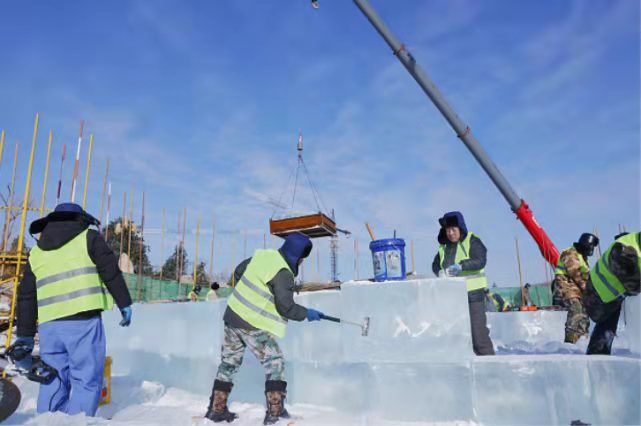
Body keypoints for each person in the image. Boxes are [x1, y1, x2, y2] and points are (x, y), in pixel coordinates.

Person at [10, 203, 132, 416]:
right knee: (86, 380)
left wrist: (25, 336)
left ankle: (47, 421)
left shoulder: (37, 252)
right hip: (83, 324)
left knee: (51, 378)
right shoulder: (89, 238)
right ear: (80, 218)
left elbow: (26, 295)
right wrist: (124, 303)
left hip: (49, 328)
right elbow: (110, 271)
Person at [205, 232, 324, 425]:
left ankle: (216, 410)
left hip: (232, 314)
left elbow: (239, 271)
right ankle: (275, 413)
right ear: (297, 255)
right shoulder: (284, 273)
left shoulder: (263, 255)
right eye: (302, 258)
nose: (302, 262)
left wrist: (254, 290)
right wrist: (307, 313)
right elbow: (286, 307)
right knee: (274, 362)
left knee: (229, 363)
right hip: (250, 323)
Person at [432, 211, 494, 355]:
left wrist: (462, 266)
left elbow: (480, 260)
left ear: (461, 228)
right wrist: (439, 272)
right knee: (457, 337)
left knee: (478, 336)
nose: (451, 233)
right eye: (448, 230)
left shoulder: (472, 240)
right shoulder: (444, 247)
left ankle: (490, 370)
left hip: (474, 295)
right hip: (452, 297)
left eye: (454, 229)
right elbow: (436, 265)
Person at [584, 232, 640, 355]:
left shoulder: (635, 245)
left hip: (611, 294)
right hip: (598, 294)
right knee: (605, 329)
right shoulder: (623, 251)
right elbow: (633, 285)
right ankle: (596, 359)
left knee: (607, 329)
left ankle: (598, 356)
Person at [553, 233, 599, 343]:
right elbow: (577, 275)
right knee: (576, 308)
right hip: (564, 286)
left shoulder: (582, 256)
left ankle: (581, 339)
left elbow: (587, 277)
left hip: (576, 289)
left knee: (584, 310)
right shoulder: (570, 254)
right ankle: (570, 341)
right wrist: (590, 291)